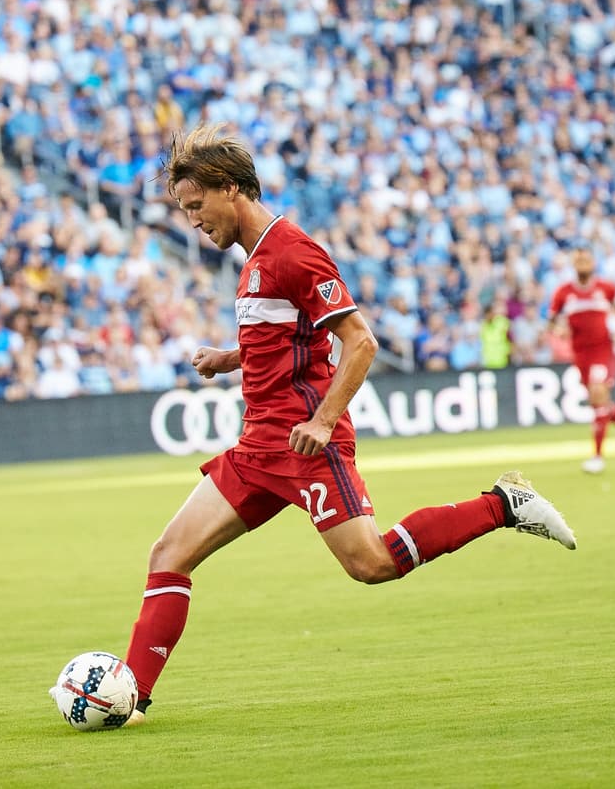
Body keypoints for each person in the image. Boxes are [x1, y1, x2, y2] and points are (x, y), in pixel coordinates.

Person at [97, 126, 577, 727]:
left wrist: (324, 422)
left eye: (196, 206)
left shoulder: (294, 251)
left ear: (230, 189)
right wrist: (232, 356)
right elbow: (286, 336)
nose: (192, 220)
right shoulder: (254, 262)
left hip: (305, 444)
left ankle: (502, 504)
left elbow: (360, 342)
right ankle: (131, 696)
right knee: (168, 554)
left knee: (371, 564)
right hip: (258, 446)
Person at [549, 246, 615, 474]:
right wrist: (558, 329)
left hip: (603, 349)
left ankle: (597, 456)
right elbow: (552, 320)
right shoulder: (563, 293)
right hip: (581, 353)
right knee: (599, 401)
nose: (583, 265)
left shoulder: (606, 288)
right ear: (573, 264)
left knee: (598, 393)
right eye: (578, 261)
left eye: (586, 260)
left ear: (593, 263)